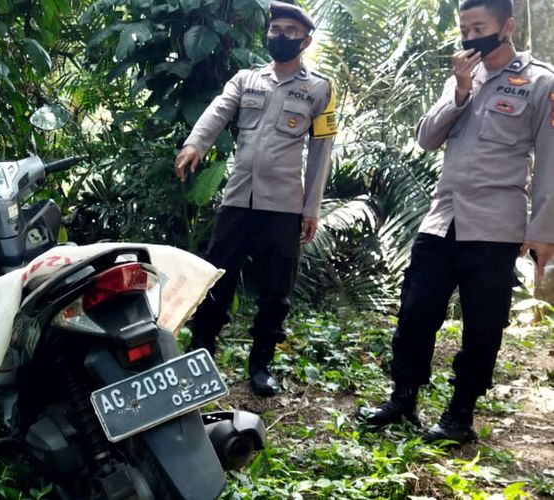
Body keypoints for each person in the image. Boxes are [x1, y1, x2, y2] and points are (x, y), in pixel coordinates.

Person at [357, 0, 554, 443]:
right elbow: (427, 138)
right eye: (464, 27)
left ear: (507, 26)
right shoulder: (464, 76)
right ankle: (403, 398)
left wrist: (543, 232)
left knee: (483, 325)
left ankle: (460, 414)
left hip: (495, 227)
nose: (468, 36)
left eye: (478, 26)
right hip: (441, 220)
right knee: (414, 312)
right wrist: (460, 91)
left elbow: (551, 163)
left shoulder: (541, 82)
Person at [174, 1, 337, 396]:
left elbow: (321, 151)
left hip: (283, 207)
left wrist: (311, 208)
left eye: (290, 32)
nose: (280, 37)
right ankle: (200, 358)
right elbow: (218, 111)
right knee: (217, 283)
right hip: (237, 202)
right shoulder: (246, 79)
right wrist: (195, 143)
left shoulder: (319, 88)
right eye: (275, 30)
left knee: (275, 292)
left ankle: (261, 366)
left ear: (306, 40)